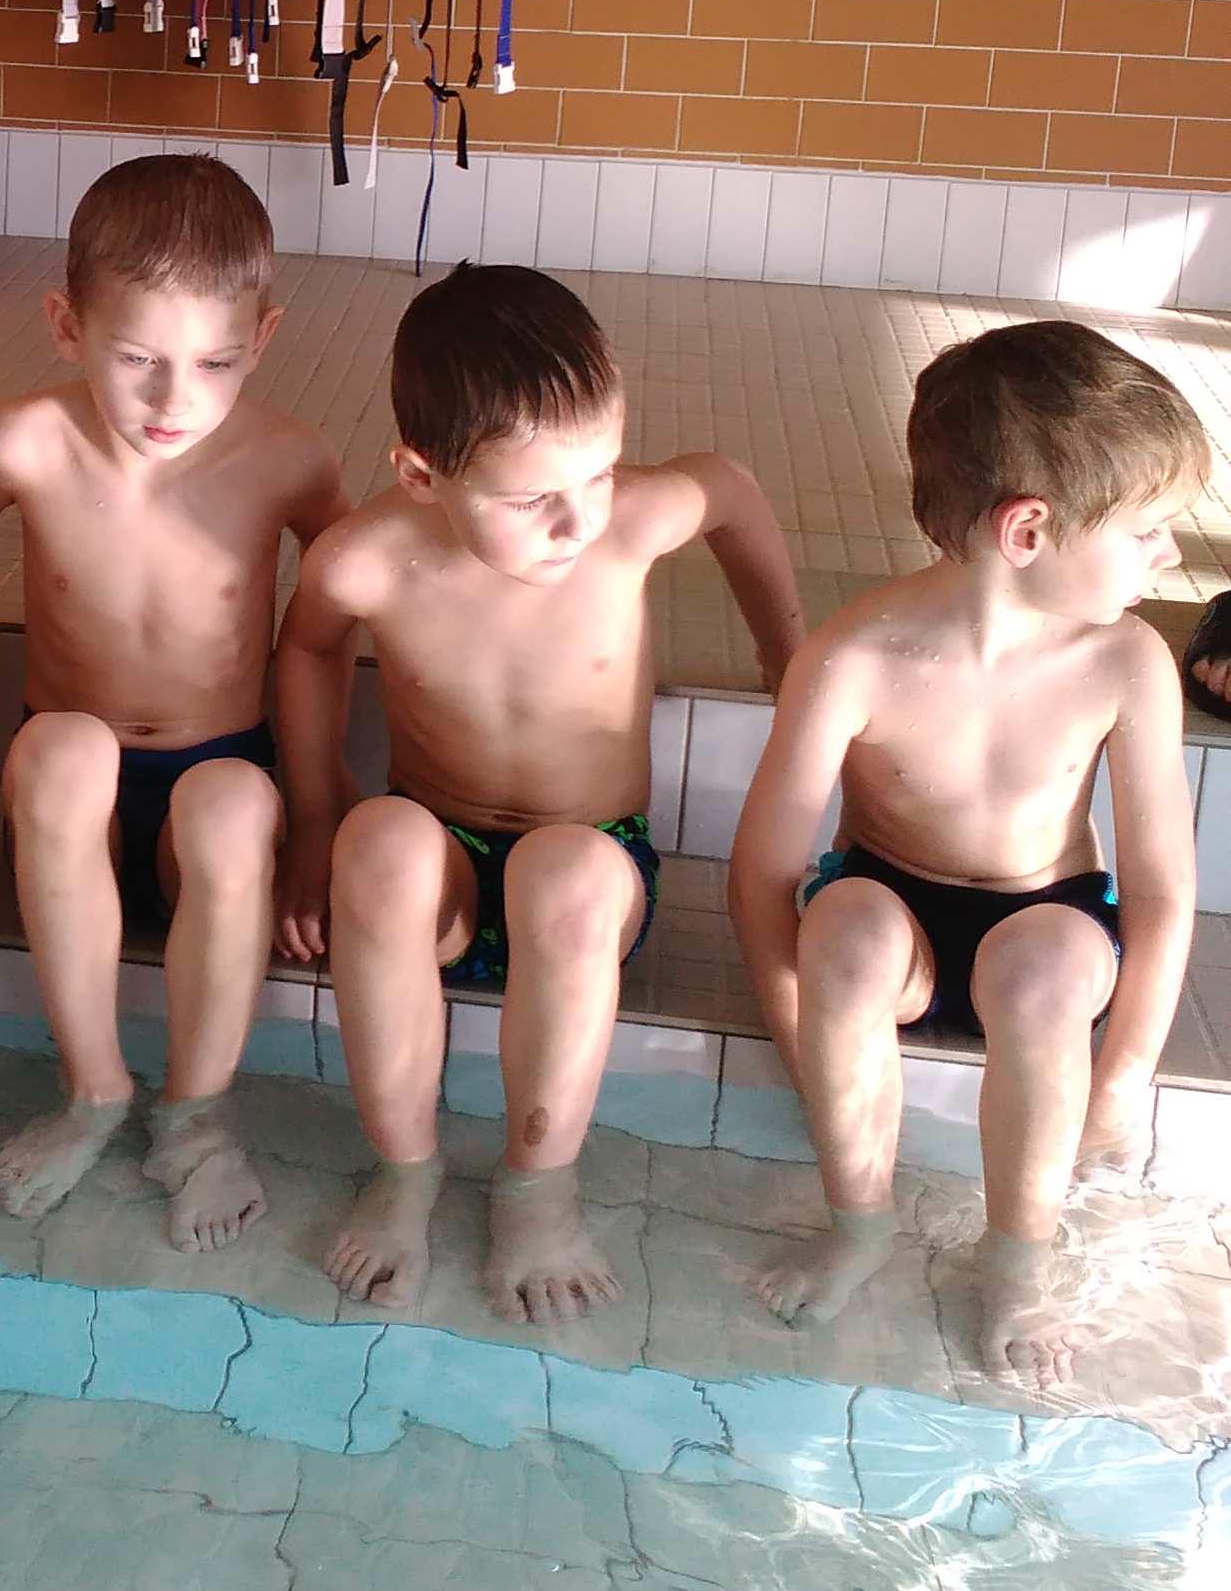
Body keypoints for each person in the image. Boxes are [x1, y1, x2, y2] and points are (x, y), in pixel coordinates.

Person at [277, 263, 802, 1326]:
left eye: (598, 475)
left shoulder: (631, 521)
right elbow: (307, 650)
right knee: (377, 840)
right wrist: (317, 811)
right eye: (531, 500)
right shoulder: (366, 560)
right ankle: (404, 1170)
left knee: (564, 873)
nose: (577, 523)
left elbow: (733, 494)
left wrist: (783, 651)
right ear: (421, 474)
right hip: (444, 876)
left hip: (591, 875)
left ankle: (537, 1188)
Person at [731, 320, 1204, 1391]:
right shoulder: (855, 656)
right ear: (1028, 529)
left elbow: (1162, 887)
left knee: (1042, 972)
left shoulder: (1127, 660)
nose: (1169, 556)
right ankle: (859, 1221)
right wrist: (796, 1025)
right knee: (843, 933)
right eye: (1148, 531)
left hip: (1047, 913)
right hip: (893, 909)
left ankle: (1017, 1262)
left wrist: (1125, 1073)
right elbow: (764, 868)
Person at [0, 153, 348, 1246]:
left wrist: (316, 810)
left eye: (215, 362)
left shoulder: (288, 460)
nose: (174, 400)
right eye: (138, 359)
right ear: (67, 326)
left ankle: (195, 1118)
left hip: (216, 774)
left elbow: (336, 618)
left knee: (231, 807)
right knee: (62, 753)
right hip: (73, 800)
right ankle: (94, 1087)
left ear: (263, 336)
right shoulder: (27, 441)